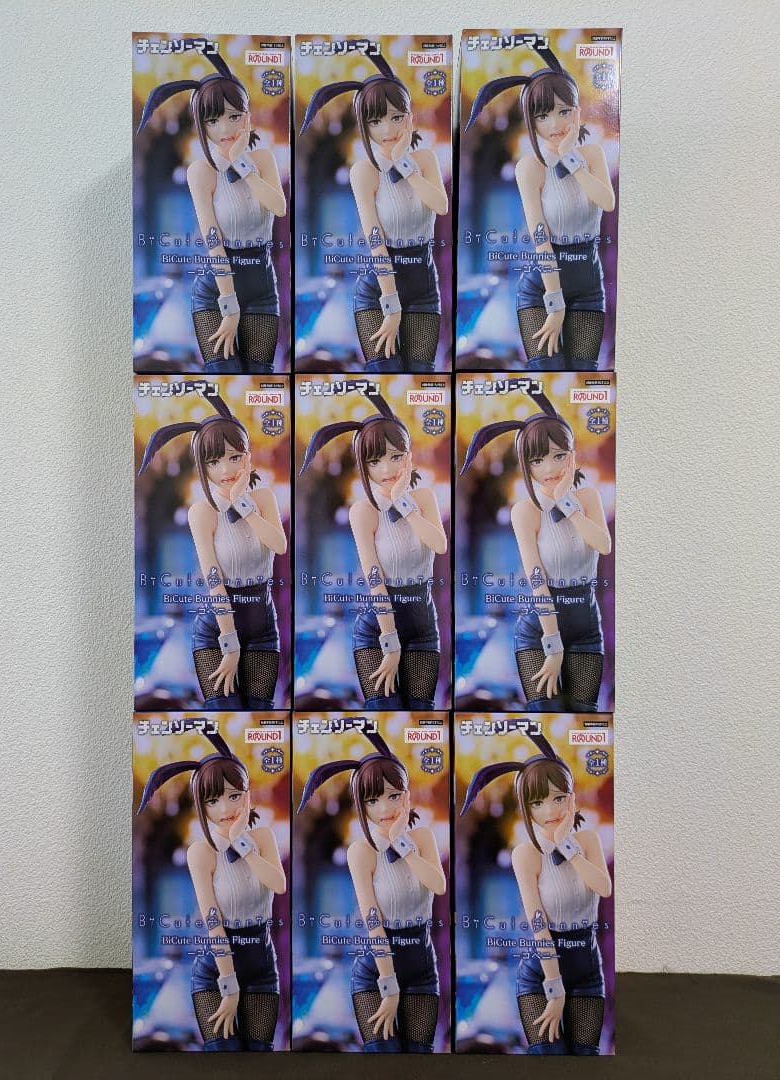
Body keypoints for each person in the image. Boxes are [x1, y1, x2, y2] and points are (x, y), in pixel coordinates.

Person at [137, 39, 287, 373]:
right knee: (223, 377)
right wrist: (229, 305)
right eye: (213, 121)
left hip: (263, 288)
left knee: (259, 378)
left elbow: (278, 207)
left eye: (234, 117)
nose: (225, 129)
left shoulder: (264, 159)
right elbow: (213, 240)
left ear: (247, 117)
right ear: (202, 125)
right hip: (215, 293)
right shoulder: (201, 170)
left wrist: (242, 164)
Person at [461, 386, 611, 711]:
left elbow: (603, 544)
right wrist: (553, 644)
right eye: (538, 460)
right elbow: (537, 580)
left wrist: (566, 504)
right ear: (527, 467)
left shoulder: (588, 498)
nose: (550, 467)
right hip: (539, 631)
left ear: (572, 455)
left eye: (558, 455)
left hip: (586, 625)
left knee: (584, 715)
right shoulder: (525, 511)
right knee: (543, 715)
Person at [461, 731, 611, 1054]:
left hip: (587, 970)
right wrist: (554, 988)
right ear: (527, 810)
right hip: (540, 976)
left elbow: (604, 887)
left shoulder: (588, 841)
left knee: (586, 1060)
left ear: (571, 798)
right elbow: (538, 924)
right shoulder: (526, 854)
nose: (550, 810)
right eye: (538, 802)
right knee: (548, 1062)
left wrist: (566, 846)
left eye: (558, 798)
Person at [466, 44, 615, 370]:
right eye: (543, 115)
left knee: (581, 377)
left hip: (589, 287)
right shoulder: (530, 166)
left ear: (577, 112)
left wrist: (571, 160)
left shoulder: (592, 155)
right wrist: (555, 301)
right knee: (546, 374)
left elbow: (607, 201)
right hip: (541, 290)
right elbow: (540, 236)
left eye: (563, 111)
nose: (554, 123)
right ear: (531, 122)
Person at [137, 730, 287, 1051]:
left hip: (262, 967)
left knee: (260, 1057)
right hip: (215, 972)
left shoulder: (263, 838)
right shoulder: (201, 851)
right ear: (202, 807)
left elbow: (278, 884)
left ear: (247, 794)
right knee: (222, 1058)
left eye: (234, 796)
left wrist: (242, 844)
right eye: (213, 800)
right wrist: (229, 984)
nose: (225, 808)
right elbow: (213, 921)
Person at [298, 728, 446, 1052]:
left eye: (393, 795)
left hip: (422, 967)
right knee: (381, 1062)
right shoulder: (361, 851)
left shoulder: (422, 838)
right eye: (373, 800)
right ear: (362, 806)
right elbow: (373, 921)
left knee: (421, 1062)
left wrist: (401, 844)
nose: (384, 808)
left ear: (407, 796)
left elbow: (438, 885)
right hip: (375, 973)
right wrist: (389, 985)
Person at [300, 50, 448, 372]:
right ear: (364, 127)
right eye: (376, 121)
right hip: (378, 290)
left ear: (409, 118)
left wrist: (403, 164)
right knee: (384, 376)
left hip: (424, 286)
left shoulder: (424, 160)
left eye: (396, 117)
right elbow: (375, 240)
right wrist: (391, 304)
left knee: (420, 377)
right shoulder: (364, 171)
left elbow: (440, 205)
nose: (387, 128)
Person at [139, 390, 287, 709]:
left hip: (263, 627)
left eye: (234, 457)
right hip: (216, 632)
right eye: (214, 461)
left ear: (247, 457)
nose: (225, 469)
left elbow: (279, 545)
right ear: (203, 468)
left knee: (259, 713)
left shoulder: (263, 499)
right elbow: (214, 580)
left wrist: (242, 505)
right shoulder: (202, 511)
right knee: (223, 714)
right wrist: (229, 643)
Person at [300, 391, 447, 708]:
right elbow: (374, 578)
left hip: (423, 625)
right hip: (377, 629)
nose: (386, 468)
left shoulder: (424, 499)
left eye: (395, 456)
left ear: (408, 456)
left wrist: (403, 503)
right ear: (363, 467)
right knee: (383, 713)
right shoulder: (363, 511)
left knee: (420, 713)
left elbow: (439, 544)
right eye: (375, 461)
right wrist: (390, 641)